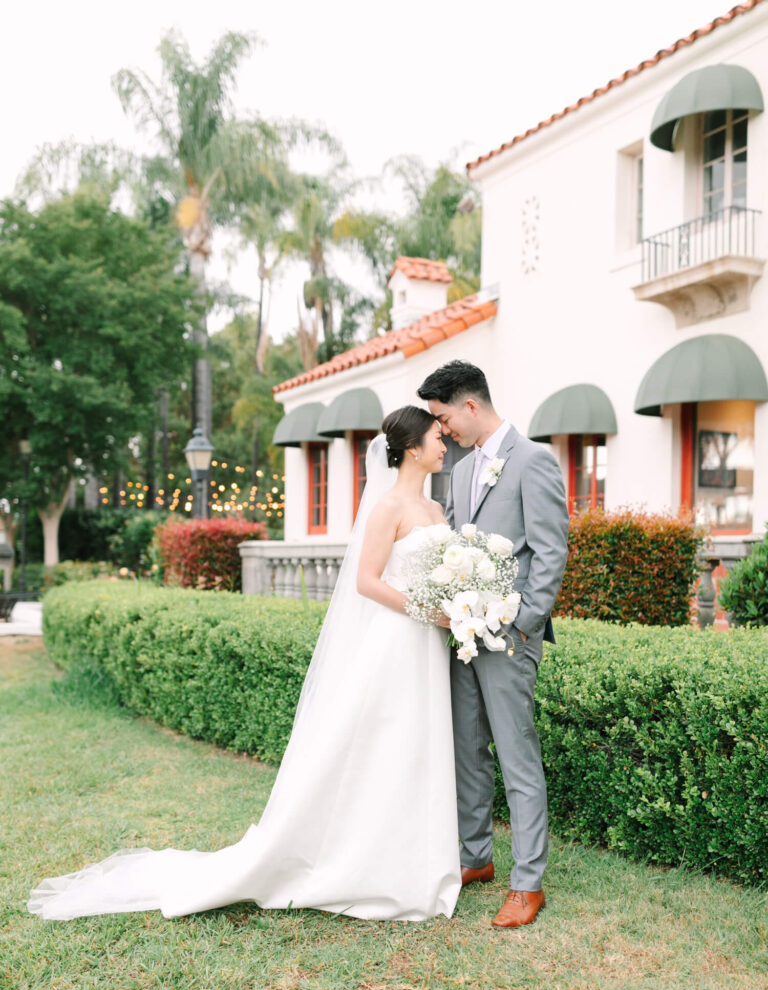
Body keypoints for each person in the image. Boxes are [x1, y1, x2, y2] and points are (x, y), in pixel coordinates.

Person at [28, 407, 461, 923]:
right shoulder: (388, 507)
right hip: (399, 640)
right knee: (387, 745)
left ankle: (417, 861)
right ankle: (367, 864)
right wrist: (424, 610)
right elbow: (367, 582)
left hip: (430, 643)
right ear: (413, 447)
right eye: (438, 437)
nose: (445, 443)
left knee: (418, 745)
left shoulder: (435, 509)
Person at [417, 360, 569, 929]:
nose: (443, 429)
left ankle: (528, 883)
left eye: (444, 417)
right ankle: (475, 857)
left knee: (516, 753)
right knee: (467, 749)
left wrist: (523, 624)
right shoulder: (456, 472)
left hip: (509, 637)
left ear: (471, 406)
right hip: (463, 635)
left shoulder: (534, 461)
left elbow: (551, 553)